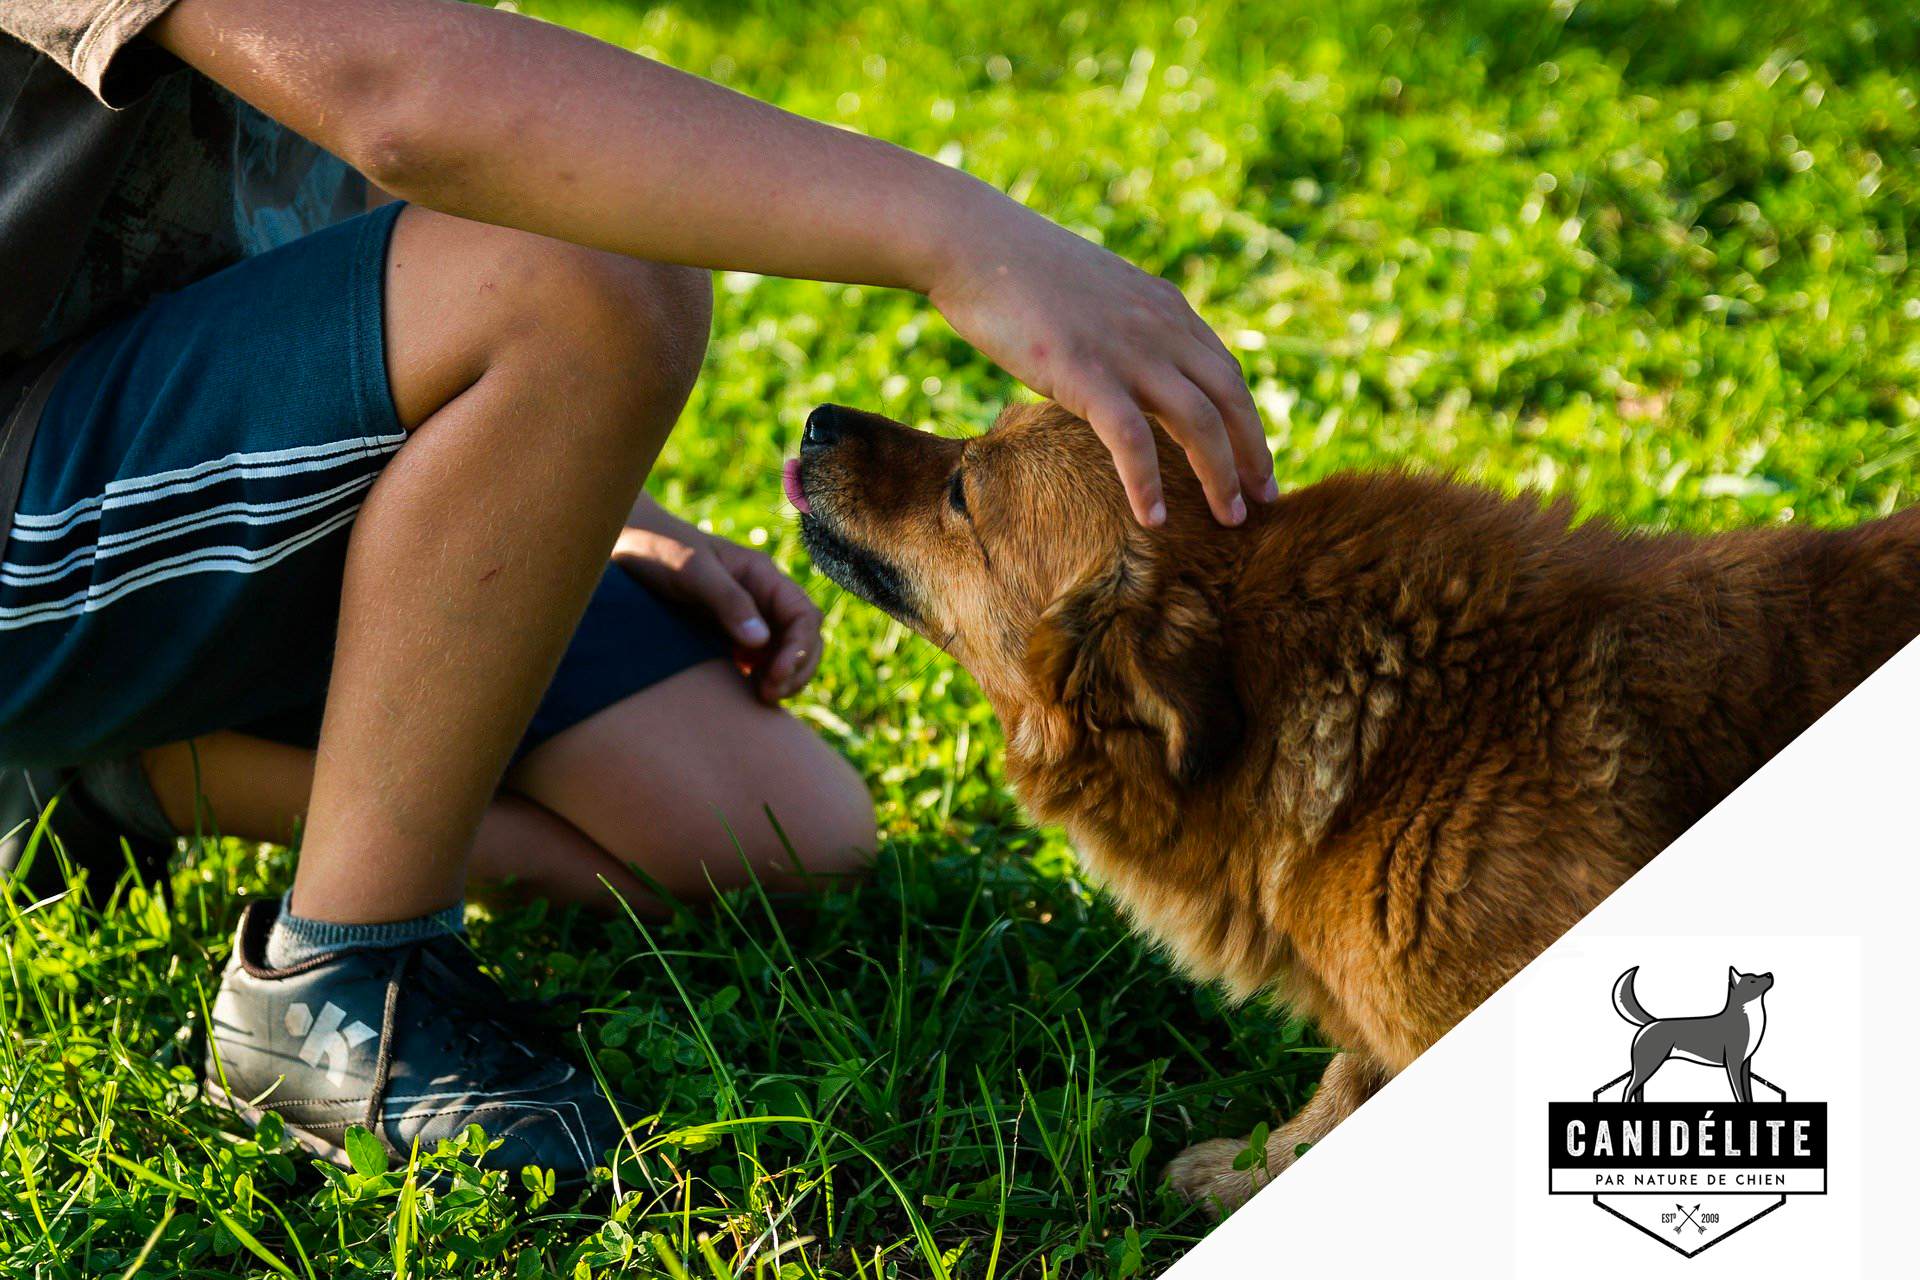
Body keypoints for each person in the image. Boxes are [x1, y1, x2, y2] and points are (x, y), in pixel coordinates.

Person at [0, 0, 1273, 1185]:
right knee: (596, 272)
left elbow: (339, 167)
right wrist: (966, 236)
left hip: (176, 443)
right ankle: (337, 983)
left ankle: (115, 771)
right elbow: (402, 97)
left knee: (770, 832)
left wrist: (566, 491)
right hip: (27, 483)